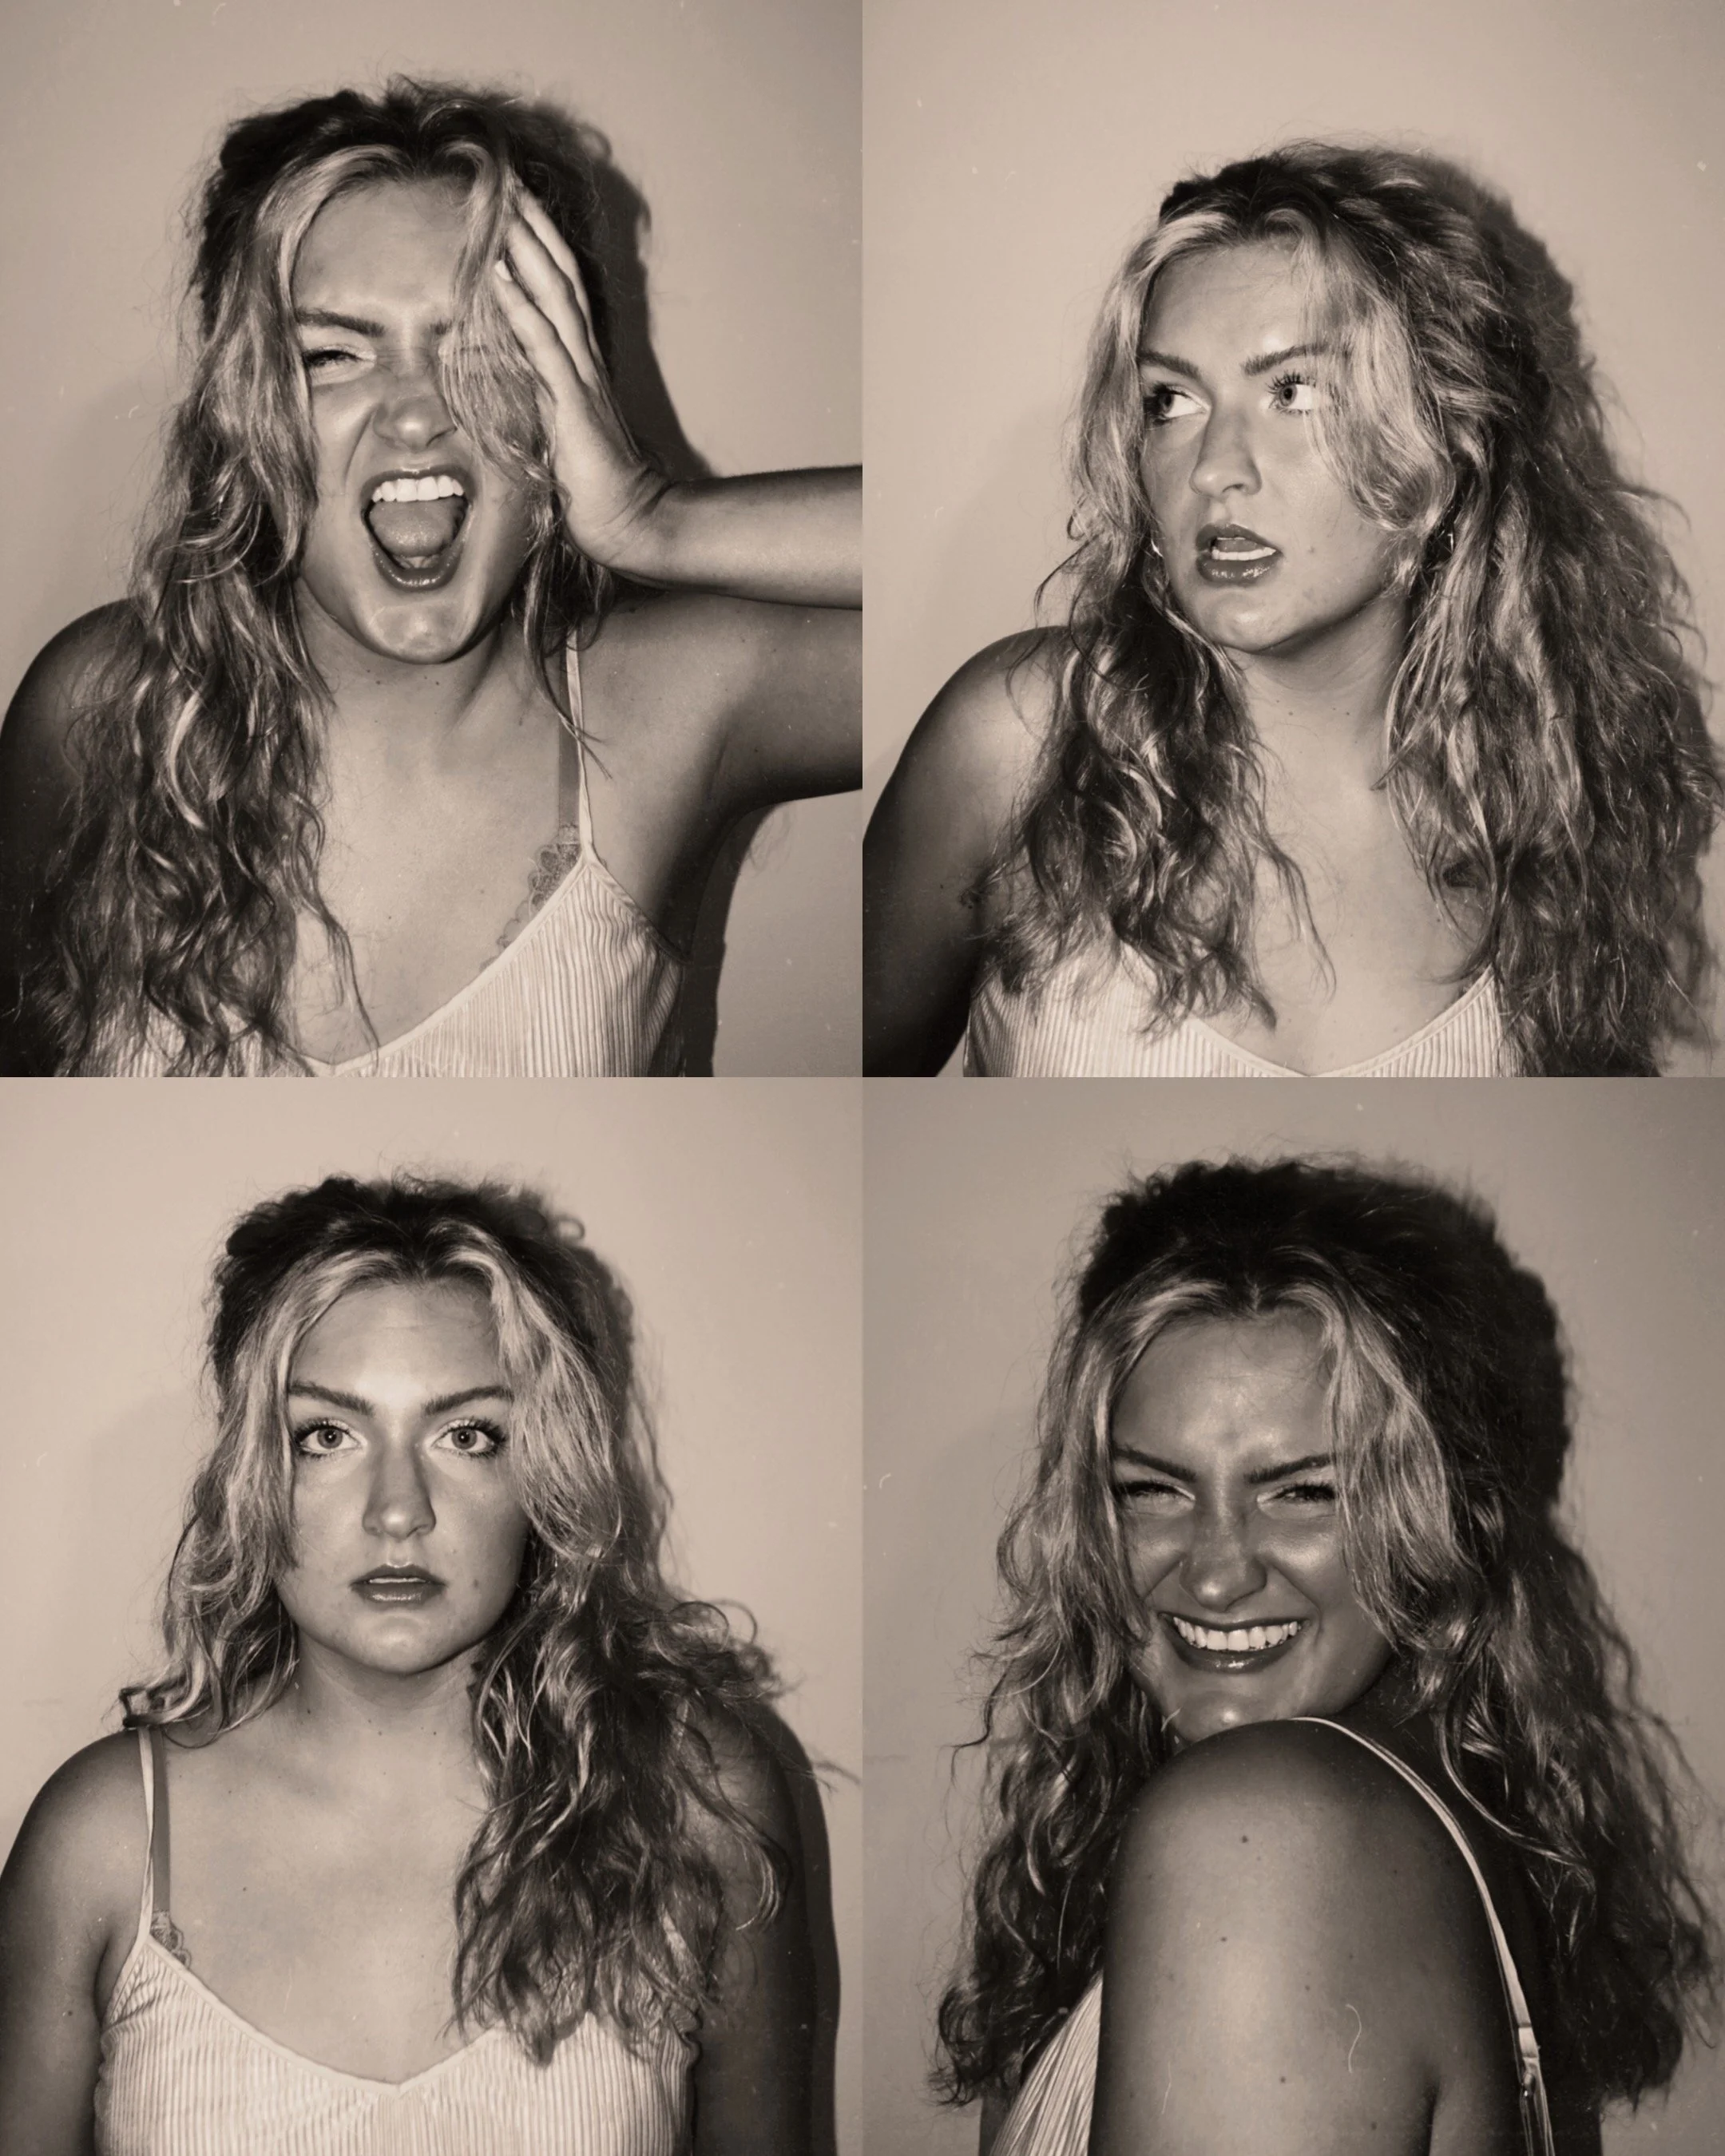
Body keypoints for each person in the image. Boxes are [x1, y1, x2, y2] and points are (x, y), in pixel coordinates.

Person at [0, 79, 859, 1075]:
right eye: (332, 355)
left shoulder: (678, 704)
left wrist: (653, 520)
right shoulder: (100, 707)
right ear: (244, 415)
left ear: (564, 399)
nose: (417, 414)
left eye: (483, 353)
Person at [0, 1173, 817, 2153]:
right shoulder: (102, 1840)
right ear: (254, 1472)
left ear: (543, 1473)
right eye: (327, 1436)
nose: (400, 1511)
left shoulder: (695, 1802)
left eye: (467, 1434)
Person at [865, 144, 1719, 1077]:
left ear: (1445, 436)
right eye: (1171, 399)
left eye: (1292, 390)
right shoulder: (1025, 741)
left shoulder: (1544, 804)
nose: (1215, 466)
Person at [937, 1158, 1718, 2155]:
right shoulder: (1388, 1815)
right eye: (1152, 1491)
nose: (1215, 1576)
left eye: (1304, 1492)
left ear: (1429, 1520)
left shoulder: (1260, 1831)